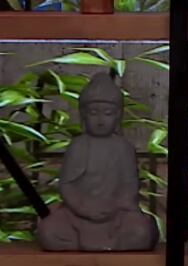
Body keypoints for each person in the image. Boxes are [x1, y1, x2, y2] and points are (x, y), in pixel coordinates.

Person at [37, 71, 158, 251]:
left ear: (118, 116)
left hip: (116, 214)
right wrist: (82, 207)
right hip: (78, 215)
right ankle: (91, 242)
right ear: (83, 115)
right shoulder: (77, 146)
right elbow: (67, 185)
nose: (101, 120)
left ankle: (107, 243)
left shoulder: (123, 148)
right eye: (93, 113)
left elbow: (129, 187)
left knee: (142, 231)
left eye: (108, 113)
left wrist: (113, 206)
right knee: (48, 231)